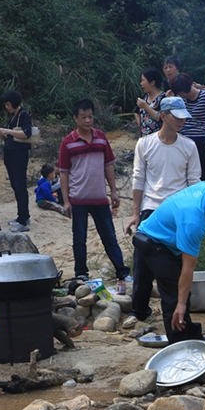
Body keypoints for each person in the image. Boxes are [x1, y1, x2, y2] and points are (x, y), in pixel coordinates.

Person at [134, 175, 205, 342]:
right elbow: (188, 267)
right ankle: (179, 343)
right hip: (154, 242)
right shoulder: (193, 222)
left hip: (164, 238)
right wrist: (181, 304)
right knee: (174, 295)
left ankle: (190, 335)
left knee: (181, 293)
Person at [125, 96, 201, 322]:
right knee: (142, 264)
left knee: (177, 265)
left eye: (183, 118)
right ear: (164, 116)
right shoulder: (145, 143)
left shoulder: (189, 146)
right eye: (177, 117)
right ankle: (139, 310)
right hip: (151, 209)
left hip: (178, 212)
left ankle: (180, 313)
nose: (181, 121)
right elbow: (138, 179)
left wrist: (194, 216)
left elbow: (194, 183)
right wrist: (136, 213)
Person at [58, 99, 130, 285]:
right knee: (79, 238)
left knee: (109, 236)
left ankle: (122, 271)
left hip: (99, 198)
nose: (88, 120)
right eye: (83, 117)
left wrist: (114, 191)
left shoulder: (101, 138)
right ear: (75, 118)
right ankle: (81, 273)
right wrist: (66, 201)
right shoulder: (68, 142)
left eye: (90, 116)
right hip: (78, 198)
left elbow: (109, 166)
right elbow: (64, 174)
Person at [0, 90, 33, 232]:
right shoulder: (13, 117)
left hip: (19, 156)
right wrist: (2, 136)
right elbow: (12, 139)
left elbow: (26, 133)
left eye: (8, 104)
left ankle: (23, 220)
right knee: (15, 186)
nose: (7, 107)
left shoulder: (23, 115)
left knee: (20, 186)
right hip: (10, 154)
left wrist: (7, 131)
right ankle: (22, 215)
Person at [170, 73, 205, 181]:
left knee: (204, 172)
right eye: (181, 93)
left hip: (202, 139)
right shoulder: (179, 100)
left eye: (185, 92)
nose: (184, 95)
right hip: (183, 139)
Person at [136, 68, 166, 136]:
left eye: (143, 80)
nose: (141, 83)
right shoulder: (144, 97)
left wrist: (146, 107)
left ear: (152, 82)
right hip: (145, 138)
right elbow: (136, 112)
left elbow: (160, 117)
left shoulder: (164, 98)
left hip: (158, 138)